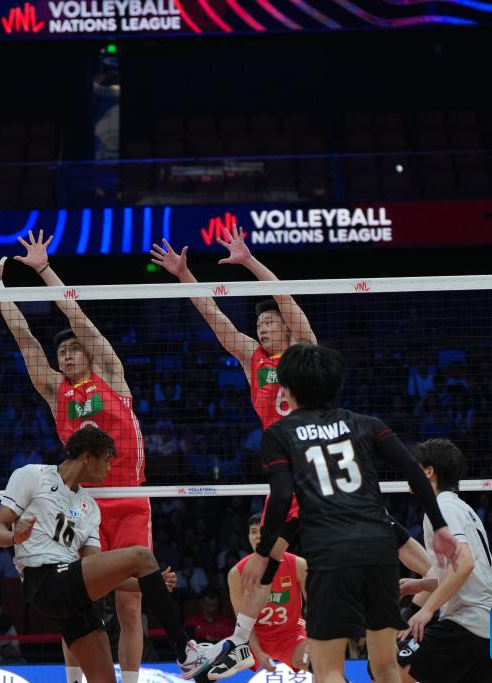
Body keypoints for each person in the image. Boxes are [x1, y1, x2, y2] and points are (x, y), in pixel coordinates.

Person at [0, 231, 154, 683]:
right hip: (82, 506)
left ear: (88, 354)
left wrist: (44, 270)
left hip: (130, 499)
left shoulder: (111, 375)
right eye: (62, 352)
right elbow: (25, 339)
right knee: (75, 600)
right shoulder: (56, 392)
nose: (66, 356)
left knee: (131, 604)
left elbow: (77, 316)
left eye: (73, 350)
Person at [219, 343, 459, 683]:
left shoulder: (279, 434)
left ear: (286, 390)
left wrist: (262, 553)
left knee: (328, 670)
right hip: (379, 551)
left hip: (332, 554)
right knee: (385, 667)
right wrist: (440, 526)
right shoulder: (366, 424)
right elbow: (412, 469)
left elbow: (283, 496)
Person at [151, 225, 315, 672]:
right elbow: (214, 316)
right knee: (264, 560)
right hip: (284, 472)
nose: (263, 327)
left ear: (286, 327)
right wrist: (184, 275)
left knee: (367, 534)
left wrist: (248, 261)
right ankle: (242, 643)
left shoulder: (304, 352)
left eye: (270, 322)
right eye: (259, 324)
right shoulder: (252, 357)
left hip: (318, 461)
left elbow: (285, 298)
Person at [0, 425, 230, 683]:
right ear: (86, 457)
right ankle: (185, 653)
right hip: (44, 580)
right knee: (141, 557)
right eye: (106, 460)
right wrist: (15, 537)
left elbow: (97, 572)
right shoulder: (31, 475)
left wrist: (147, 583)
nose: (110, 467)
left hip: (73, 594)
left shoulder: (90, 507)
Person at [394, 438, 492, 683]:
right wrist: (420, 585)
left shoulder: (442, 508)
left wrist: (426, 610)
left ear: (428, 471)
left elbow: (465, 565)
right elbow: (462, 572)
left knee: (393, 669)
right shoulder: (463, 508)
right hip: (489, 628)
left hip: (468, 621)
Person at [227, 514, 308, 674]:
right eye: (253, 532)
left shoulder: (298, 564)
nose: (258, 536)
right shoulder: (236, 573)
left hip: (292, 635)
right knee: (213, 669)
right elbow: (242, 624)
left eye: (263, 531)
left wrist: (311, 644)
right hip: (256, 638)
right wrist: (258, 652)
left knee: (317, 659)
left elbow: (315, 610)